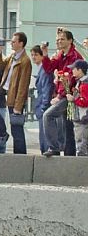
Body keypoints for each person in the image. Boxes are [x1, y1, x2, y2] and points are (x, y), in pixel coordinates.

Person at [40, 27, 83, 157]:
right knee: (67, 128)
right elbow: (49, 68)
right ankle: (69, 155)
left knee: (48, 116)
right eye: (57, 39)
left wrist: (59, 96)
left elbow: (71, 80)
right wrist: (45, 55)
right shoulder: (61, 55)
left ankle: (54, 148)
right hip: (64, 94)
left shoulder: (75, 57)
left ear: (70, 41)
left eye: (62, 39)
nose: (58, 41)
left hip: (70, 95)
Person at [0, 32, 32, 155]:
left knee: (17, 129)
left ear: (21, 43)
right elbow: (0, 65)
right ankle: (18, 154)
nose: (11, 43)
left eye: (14, 42)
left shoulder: (25, 60)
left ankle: (20, 155)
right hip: (9, 96)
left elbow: (23, 86)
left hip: (15, 99)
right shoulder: (13, 56)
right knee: (14, 129)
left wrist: (18, 106)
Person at [30, 45, 55, 154]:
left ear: (41, 56)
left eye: (36, 55)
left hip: (44, 106)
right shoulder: (41, 69)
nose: (33, 57)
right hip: (41, 105)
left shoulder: (44, 70)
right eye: (32, 55)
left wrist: (43, 107)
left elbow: (46, 89)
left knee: (44, 133)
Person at [69, 60, 88, 157]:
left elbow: (85, 101)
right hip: (80, 117)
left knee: (81, 142)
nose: (72, 70)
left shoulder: (84, 84)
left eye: (74, 69)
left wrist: (74, 99)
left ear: (80, 70)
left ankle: (82, 163)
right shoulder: (79, 82)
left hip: (82, 118)